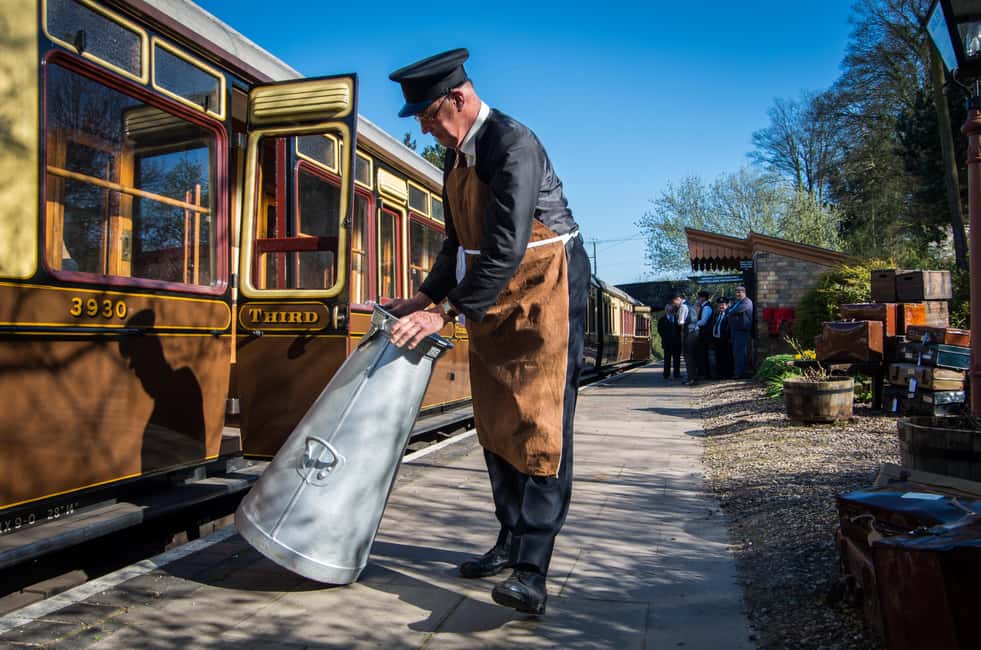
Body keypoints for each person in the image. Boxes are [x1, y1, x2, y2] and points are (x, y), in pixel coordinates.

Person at [384, 49, 589, 617]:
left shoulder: (512, 144)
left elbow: (505, 245)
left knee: (541, 424)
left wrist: (446, 312)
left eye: (429, 116)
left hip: (547, 290)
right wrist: (423, 297)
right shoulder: (454, 159)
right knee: (496, 419)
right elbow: (457, 243)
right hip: (494, 296)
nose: (425, 129)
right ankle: (508, 539)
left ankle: (532, 570)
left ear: (459, 98)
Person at [727, 286, 754, 378]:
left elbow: (736, 311)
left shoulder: (747, 302)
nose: (737, 294)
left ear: (744, 292)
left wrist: (730, 313)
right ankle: (738, 372)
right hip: (735, 331)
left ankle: (741, 373)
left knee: (741, 352)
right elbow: (729, 310)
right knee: (736, 352)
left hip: (742, 331)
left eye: (739, 292)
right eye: (736, 292)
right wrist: (730, 312)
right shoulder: (737, 302)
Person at [657, 301, 683, 380]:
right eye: (668, 310)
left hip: (677, 342)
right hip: (667, 342)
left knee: (677, 359)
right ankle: (666, 374)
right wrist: (665, 337)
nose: (670, 311)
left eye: (671, 309)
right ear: (666, 310)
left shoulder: (677, 318)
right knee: (667, 359)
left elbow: (680, 329)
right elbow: (660, 330)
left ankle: (677, 374)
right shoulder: (662, 320)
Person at [711, 296, 733, 379]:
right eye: (719, 305)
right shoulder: (718, 314)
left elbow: (730, 327)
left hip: (726, 339)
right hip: (717, 339)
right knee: (719, 356)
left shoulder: (729, 314)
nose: (721, 306)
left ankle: (727, 374)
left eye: (723, 305)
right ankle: (720, 374)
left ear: (727, 305)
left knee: (726, 357)